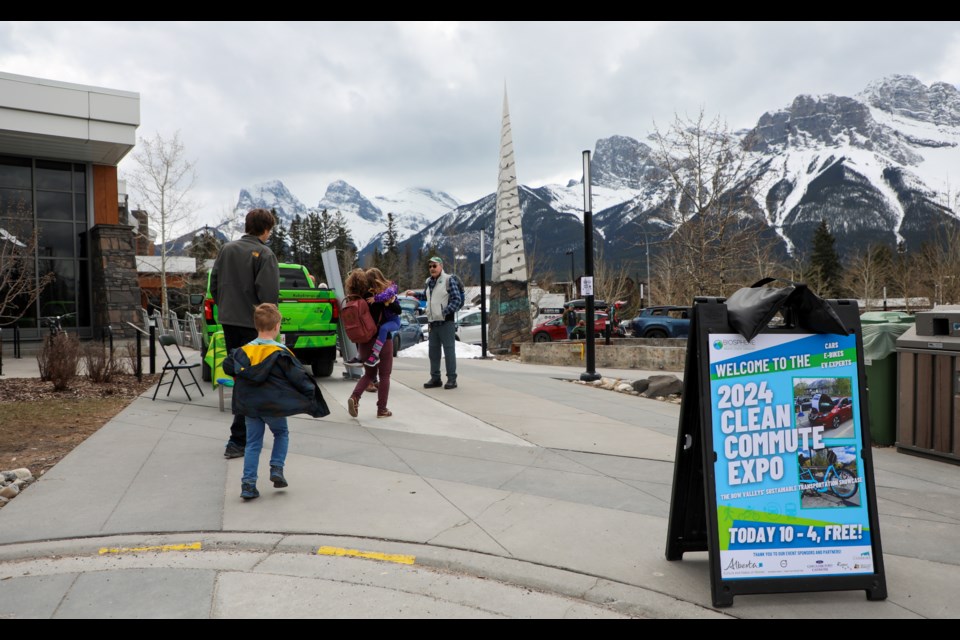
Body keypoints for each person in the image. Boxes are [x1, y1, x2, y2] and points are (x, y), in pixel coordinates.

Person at [223, 303, 330, 501]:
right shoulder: (282, 352)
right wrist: (311, 395)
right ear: (276, 327)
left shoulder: (243, 351)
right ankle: (277, 468)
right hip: (274, 406)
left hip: (250, 405)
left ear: (256, 326)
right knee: (281, 433)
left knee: (253, 443)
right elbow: (299, 377)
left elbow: (228, 366)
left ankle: (248, 484)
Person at [209, 208, 279, 460]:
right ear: (266, 229)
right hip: (254, 325)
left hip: (229, 321)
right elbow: (268, 297)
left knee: (241, 376)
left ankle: (243, 437)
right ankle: (240, 439)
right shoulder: (265, 254)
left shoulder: (226, 249)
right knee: (255, 378)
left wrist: (226, 307)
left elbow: (214, 284)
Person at [346, 269, 399, 418]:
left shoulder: (356, 299)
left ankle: (355, 397)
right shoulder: (378, 297)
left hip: (364, 341)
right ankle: (381, 409)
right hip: (383, 340)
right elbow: (398, 310)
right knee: (385, 375)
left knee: (369, 374)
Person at [422, 256, 461, 390]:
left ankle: (451, 379)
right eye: (430, 266)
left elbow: (456, 299)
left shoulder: (449, 280)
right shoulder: (428, 282)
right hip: (433, 323)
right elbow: (426, 297)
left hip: (446, 322)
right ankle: (435, 378)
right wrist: (414, 295)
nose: (432, 268)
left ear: (441, 266)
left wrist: (444, 311)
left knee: (449, 352)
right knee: (433, 352)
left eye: (435, 265)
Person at [363, 268, 401, 368]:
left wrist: (375, 298)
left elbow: (387, 295)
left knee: (384, 328)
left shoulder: (391, 287)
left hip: (394, 321)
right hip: (385, 321)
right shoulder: (376, 292)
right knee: (383, 328)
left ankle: (375, 354)